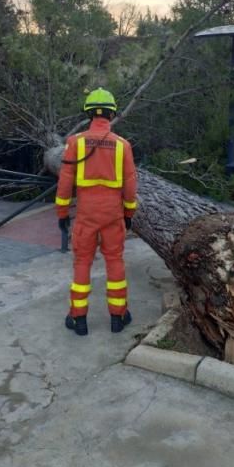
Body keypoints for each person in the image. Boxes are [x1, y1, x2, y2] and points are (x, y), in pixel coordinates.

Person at [55, 88, 138, 336]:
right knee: (115, 262)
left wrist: (61, 213)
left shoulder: (75, 143)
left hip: (86, 214)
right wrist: (128, 213)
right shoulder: (122, 145)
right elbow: (130, 183)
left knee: (82, 262)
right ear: (112, 113)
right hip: (112, 214)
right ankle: (118, 316)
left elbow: (65, 182)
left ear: (89, 113)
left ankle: (78, 319)